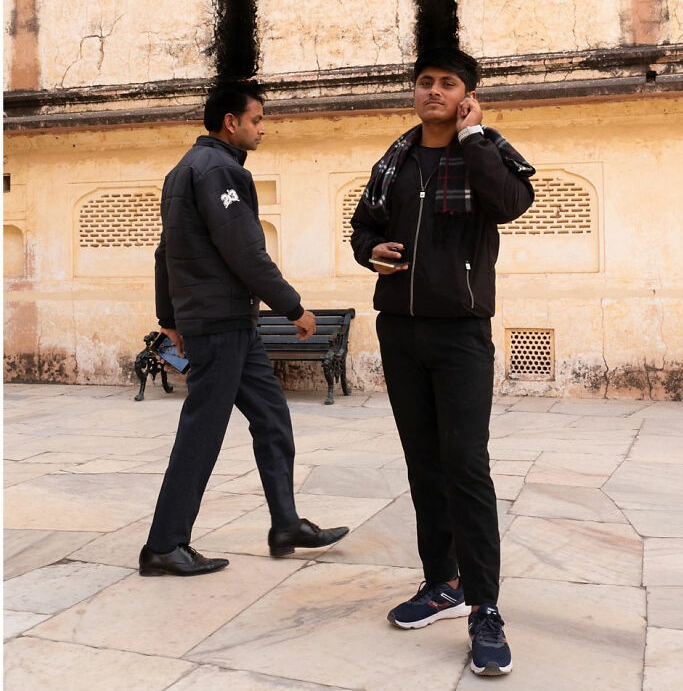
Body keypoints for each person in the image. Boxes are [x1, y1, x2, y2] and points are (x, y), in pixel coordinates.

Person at [350, 47, 535, 677]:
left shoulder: (486, 152)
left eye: (448, 83)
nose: (433, 90)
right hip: (400, 331)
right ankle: (442, 583)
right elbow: (362, 227)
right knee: (423, 464)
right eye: (425, 81)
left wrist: (475, 137)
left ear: (467, 96)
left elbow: (508, 204)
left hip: (460, 333)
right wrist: (371, 250)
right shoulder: (395, 161)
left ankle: (485, 607)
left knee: (466, 466)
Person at [139, 81, 349, 577]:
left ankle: (286, 524)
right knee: (202, 431)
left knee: (272, 418)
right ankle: (164, 545)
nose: (262, 129)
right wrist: (293, 308)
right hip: (220, 323)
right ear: (230, 122)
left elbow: (164, 252)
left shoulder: (182, 171)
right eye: (256, 120)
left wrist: (169, 318)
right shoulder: (219, 170)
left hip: (232, 323)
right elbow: (245, 251)